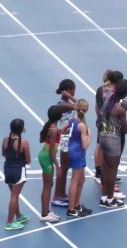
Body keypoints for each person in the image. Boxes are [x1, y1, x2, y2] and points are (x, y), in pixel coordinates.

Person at [99, 79, 127, 208]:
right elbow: (125, 129)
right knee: (112, 171)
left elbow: (105, 90)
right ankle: (110, 199)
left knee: (106, 169)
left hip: (103, 136)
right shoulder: (119, 109)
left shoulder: (107, 100)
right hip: (113, 140)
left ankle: (104, 196)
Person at [2, 119, 31, 230]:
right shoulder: (24, 143)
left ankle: (18, 216)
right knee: (14, 196)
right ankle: (9, 222)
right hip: (18, 171)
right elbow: (28, 161)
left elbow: (3, 153)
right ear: (22, 129)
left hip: (7, 169)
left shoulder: (5, 140)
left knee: (14, 194)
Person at [52, 79, 76, 208]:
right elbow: (80, 106)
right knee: (63, 168)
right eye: (73, 90)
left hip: (67, 137)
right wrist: (72, 98)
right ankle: (56, 197)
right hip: (64, 139)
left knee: (65, 168)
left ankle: (62, 193)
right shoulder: (64, 104)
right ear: (69, 90)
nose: (74, 92)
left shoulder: (65, 103)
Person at [66, 99, 92, 217]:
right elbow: (85, 145)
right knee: (75, 180)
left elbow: (64, 130)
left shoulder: (72, 121)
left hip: (72, 150)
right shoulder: (82, 126)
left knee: (81, 180)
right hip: (78, 153)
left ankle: (76, 205)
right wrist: (89, 135)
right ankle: (71, 209)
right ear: (86, 110)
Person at [38, 105, 63, 223]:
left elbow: (41, 140)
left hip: (44, 156)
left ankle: (47, 211)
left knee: (49, 184)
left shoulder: (50, 126)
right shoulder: (52, 130)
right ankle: (44, 214)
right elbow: (52, 151)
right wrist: (58, 166)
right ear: (60, 116)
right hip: (47, 158)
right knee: (47, 186)